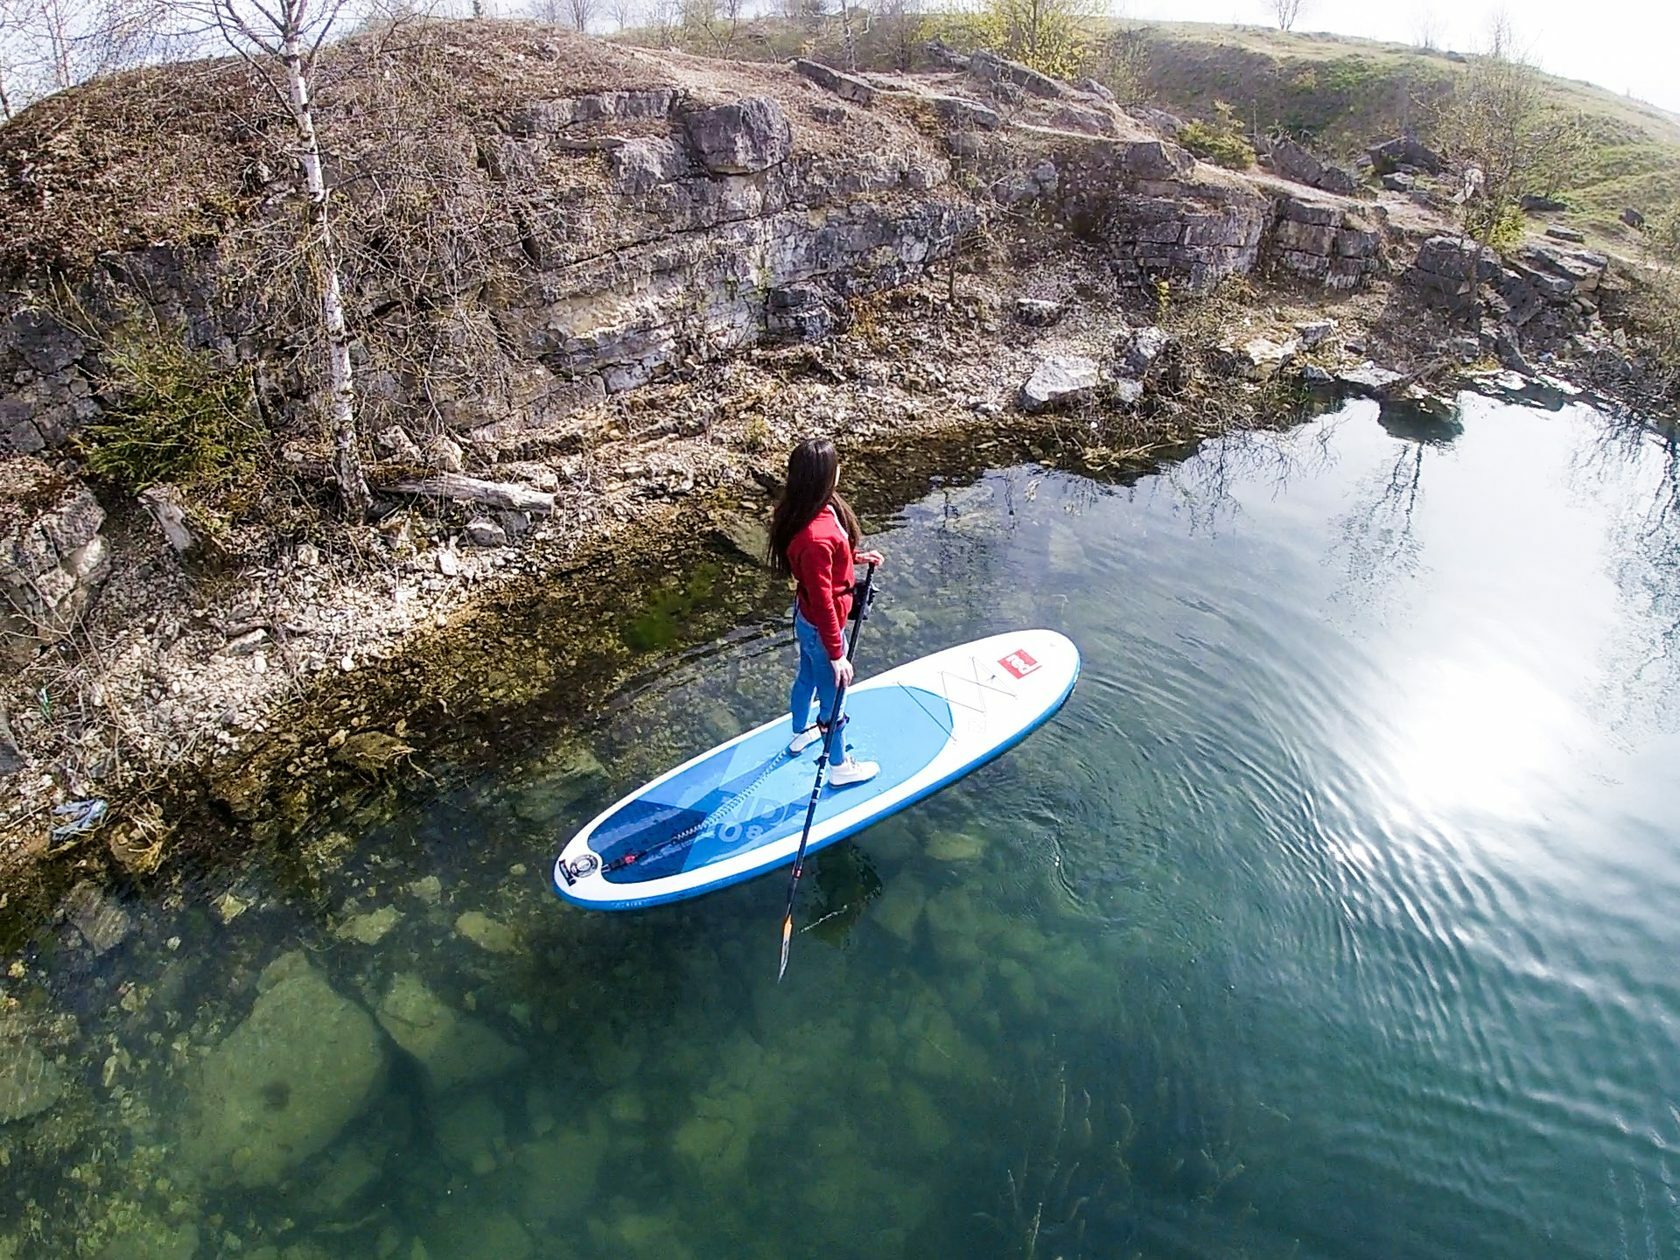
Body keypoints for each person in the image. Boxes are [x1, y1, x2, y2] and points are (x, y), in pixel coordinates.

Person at [767, 438, 884, 787]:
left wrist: (856, 558)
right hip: (821, 627)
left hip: (805, 621)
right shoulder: (815, 535)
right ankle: (839, 767)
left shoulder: (812, 508)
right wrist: (837, 655)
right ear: (823, 476)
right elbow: (823, 601)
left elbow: (827, 562)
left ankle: (801, 731)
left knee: (806, 678)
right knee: (834, 701)